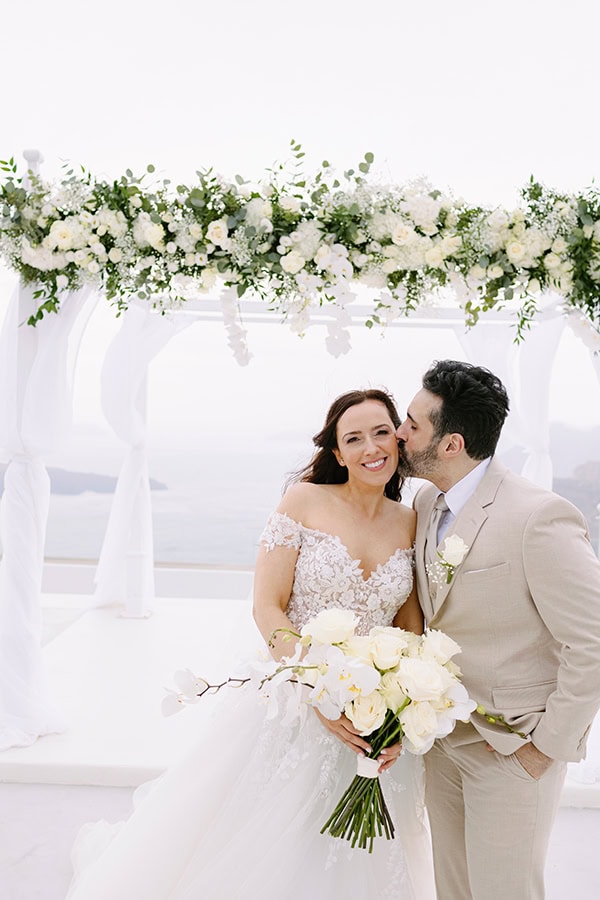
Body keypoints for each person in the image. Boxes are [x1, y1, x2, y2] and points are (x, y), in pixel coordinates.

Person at [66, 388, 436, 900]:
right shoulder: (304, 501)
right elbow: (267, 607)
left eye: (380, 432)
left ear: (397, 438)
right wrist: (318, 692)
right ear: (336, 453)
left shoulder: (411, 520)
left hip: (371, 715)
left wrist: (395, 709)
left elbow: (409, 626)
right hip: (295, 698)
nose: (370, 447)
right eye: (353, 438)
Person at [396, 358, 600, 900]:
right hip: (442, 744)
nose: (400, 432)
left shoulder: (540, 517)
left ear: (451, 444)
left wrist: (545, 748)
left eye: (413, 424)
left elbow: (593, 642)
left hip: (513, 747)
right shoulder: (423, 501)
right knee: (454, 892)